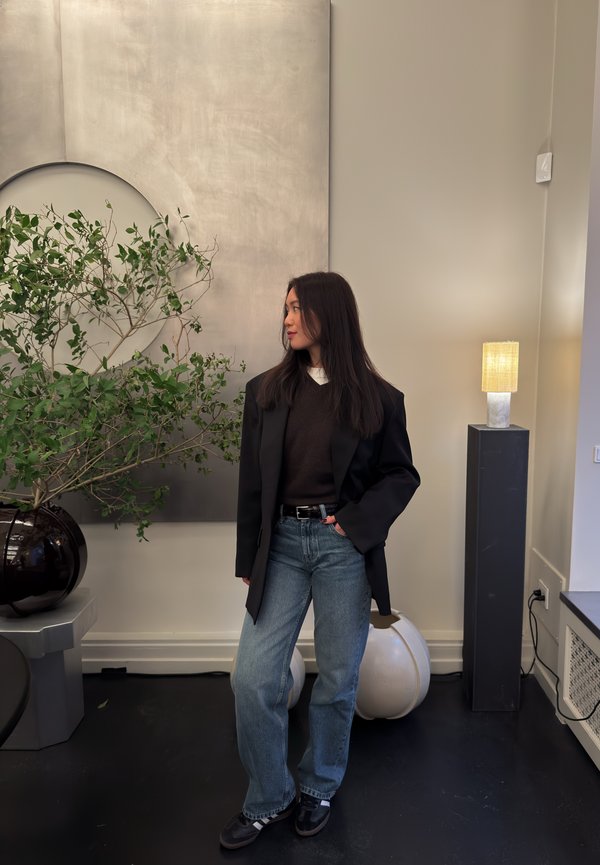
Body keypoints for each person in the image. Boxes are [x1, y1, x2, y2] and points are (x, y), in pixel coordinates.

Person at [219, 271, 420, 850]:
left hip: (341, 551)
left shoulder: (379, 400)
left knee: (336, 681)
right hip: (280, 545)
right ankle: (269, 796)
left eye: (295, 309)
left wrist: (354, 526)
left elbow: (401, 474)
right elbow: (251, 483)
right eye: (284, 309)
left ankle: (319, 786)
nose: (285, 320)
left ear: (328, 314)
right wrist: (247, 556)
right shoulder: (266, 392)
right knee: (253, 679)